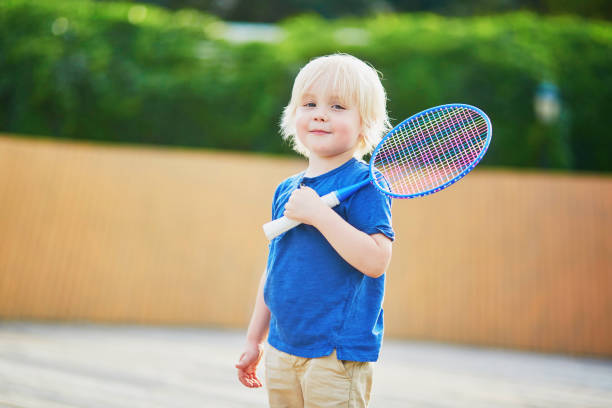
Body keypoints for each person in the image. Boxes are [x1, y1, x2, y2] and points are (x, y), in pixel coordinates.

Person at [235, 53, 395, 407]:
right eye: (309, 104)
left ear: (365, 124)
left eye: (338, 106)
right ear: (294, 117)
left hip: (334, 354)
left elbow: (375, 261)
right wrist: (254, 340)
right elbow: (276, 268)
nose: (320, 113)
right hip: (282, 346)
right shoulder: (287, 189)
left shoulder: (366, 183)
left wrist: (320, 215)